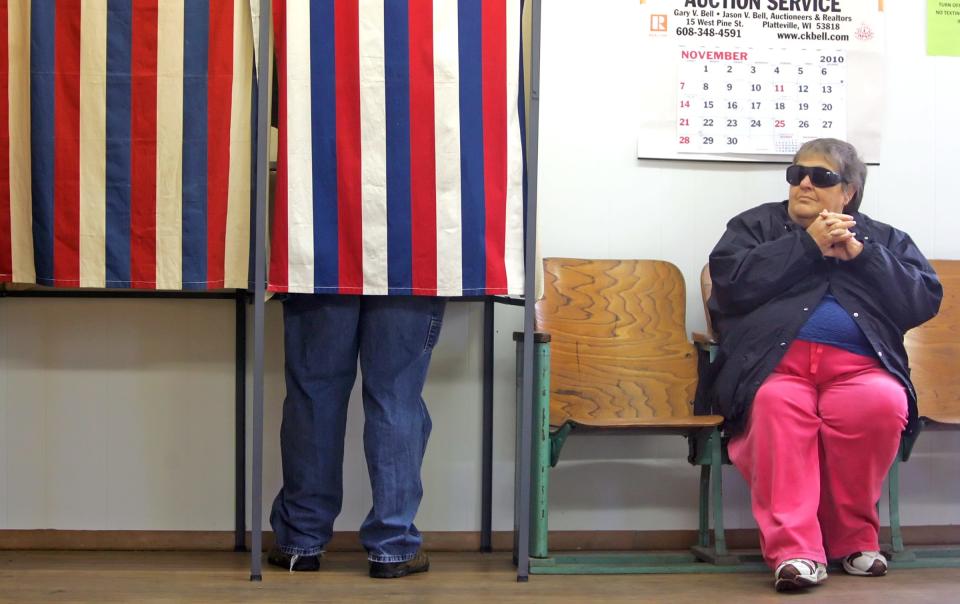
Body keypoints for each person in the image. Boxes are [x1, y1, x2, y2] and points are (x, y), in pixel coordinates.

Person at [706, 138, 942, 592]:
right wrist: (806, 246)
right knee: (776, 409)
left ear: (849, 191)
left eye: (822, 177)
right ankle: (795, 551)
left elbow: (921, 300)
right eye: (797, 175)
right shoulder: (753, 227)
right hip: (773, 366)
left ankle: (853, 541)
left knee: (881, 403)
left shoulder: (882, 237)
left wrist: (864, 256)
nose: (805, 184)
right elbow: (729, 285)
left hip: (859, 369)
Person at [267, 294, 446, 578]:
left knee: (315, 397)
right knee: (395, 397)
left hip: (321, 260)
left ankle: (301, 540)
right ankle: (392, 544)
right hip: (408, 261)